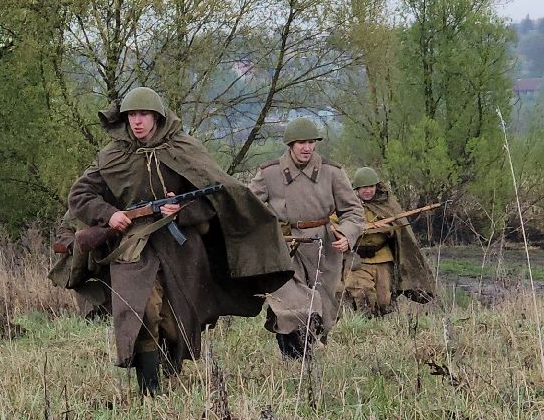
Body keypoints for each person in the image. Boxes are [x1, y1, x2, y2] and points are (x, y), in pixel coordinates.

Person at [67, 87, 291, 395]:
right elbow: (79, 196)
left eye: (143, 115)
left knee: (175, 320)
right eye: (132, 116)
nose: (137, 122)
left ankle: (170, 371)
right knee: (140, 311)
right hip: (133, 247)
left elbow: (217, 195)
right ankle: (150, 390)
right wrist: (109, 214)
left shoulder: (184, 148)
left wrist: (183, 209)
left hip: (181, 247)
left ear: (157, 117)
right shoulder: (112, 156)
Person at [248, 118, 363, 358]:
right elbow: (247, 207)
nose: (307, 147)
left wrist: (347, 234)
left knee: (324, 306)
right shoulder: (269, 173)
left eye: (311, 142)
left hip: (325, 247)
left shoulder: (332, 172)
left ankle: (308, 354)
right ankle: (294, 358)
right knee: (290, 303)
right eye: (301, 142)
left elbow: (353, 210)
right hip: (285, 246)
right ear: (290, 144)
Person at [341, 166, 437, 316]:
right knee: (362, 294)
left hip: (383, 258)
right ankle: (363, 325)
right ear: (356, 189)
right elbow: (335, 226)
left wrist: (389, 227)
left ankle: (380, 328)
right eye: (363, 187)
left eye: (371, 187)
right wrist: (363, 227)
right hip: (357, 260)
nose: (368, 191)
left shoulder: (387, 204)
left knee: (384, 301)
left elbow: (401, 231)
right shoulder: (347, 205)